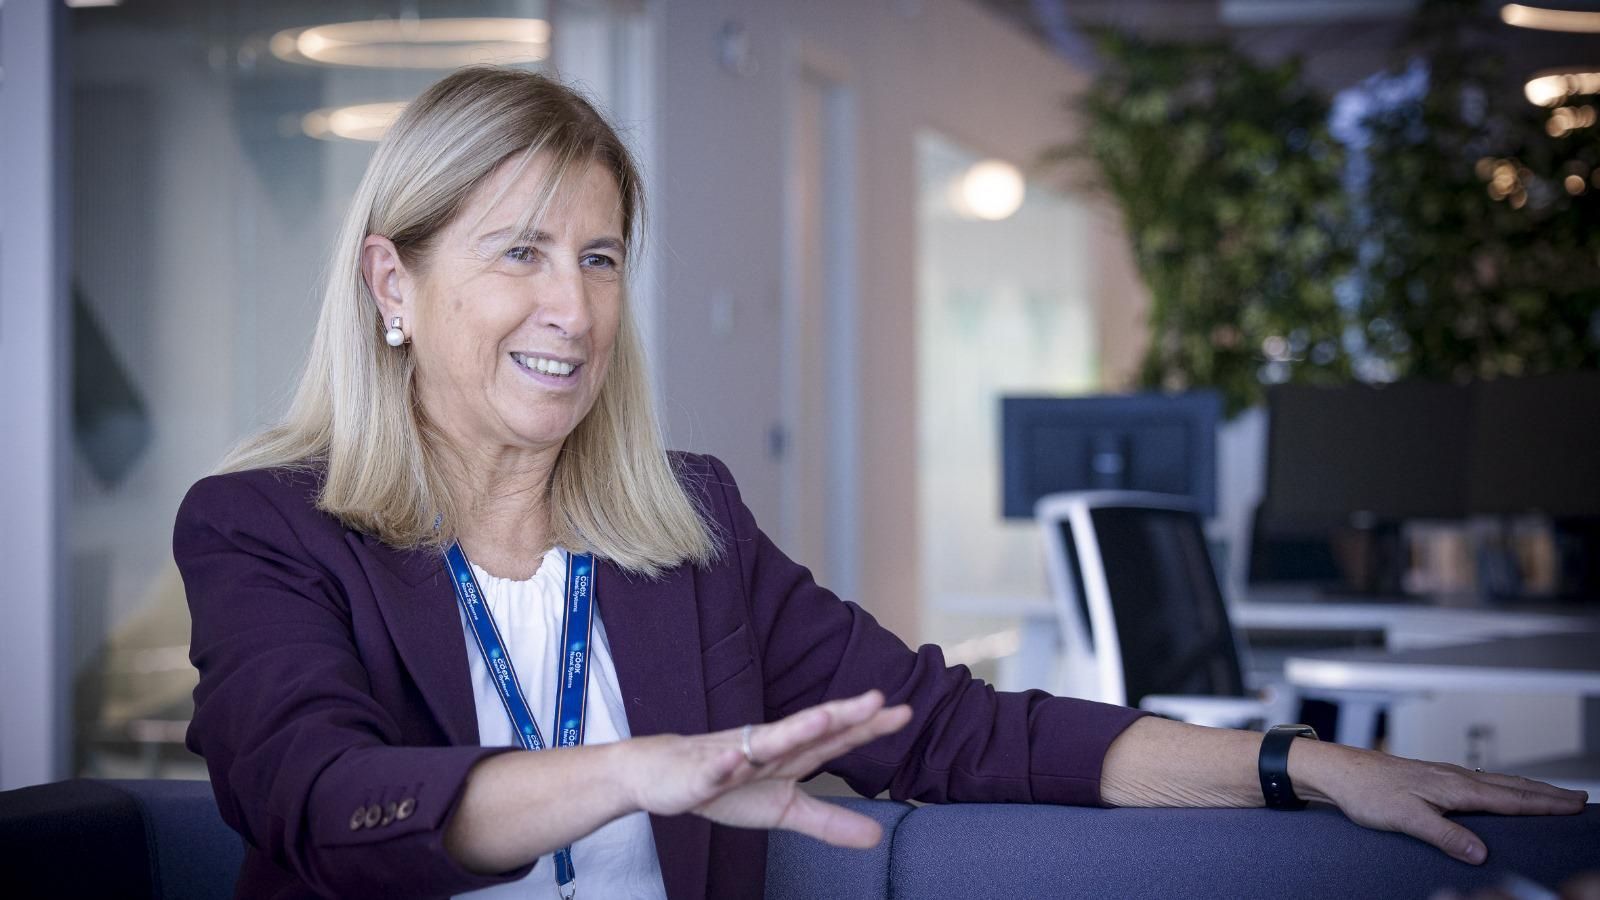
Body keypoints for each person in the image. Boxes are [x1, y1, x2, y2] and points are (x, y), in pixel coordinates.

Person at [173, 66, 1586, 900]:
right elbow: (321, 800)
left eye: (600, 258)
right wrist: (636, 771)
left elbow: (963, 731)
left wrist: (1300, 764)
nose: (574, 308)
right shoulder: (265, 529)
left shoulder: (688, 527)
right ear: (392, 282)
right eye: (520, 252)